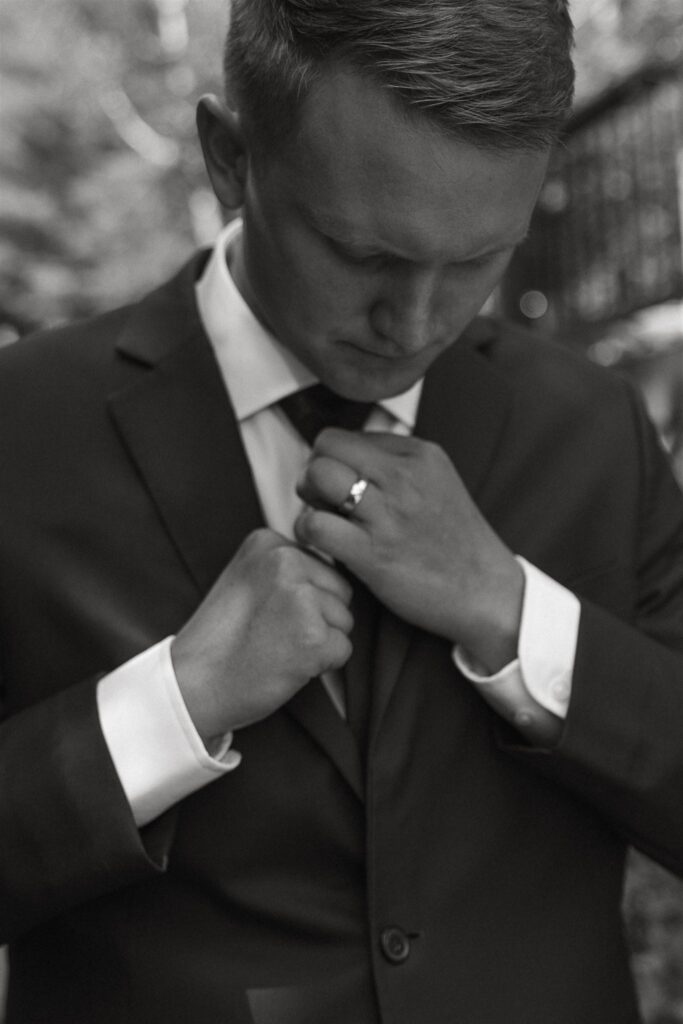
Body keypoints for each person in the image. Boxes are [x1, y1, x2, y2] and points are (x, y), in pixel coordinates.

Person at [1, 2, 682, 1021]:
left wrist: (512, 614)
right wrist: (171, 704)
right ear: (229, 158)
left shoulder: (591, 431)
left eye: (477, 260)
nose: (414, 322)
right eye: (363, 254)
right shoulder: (24, 428)